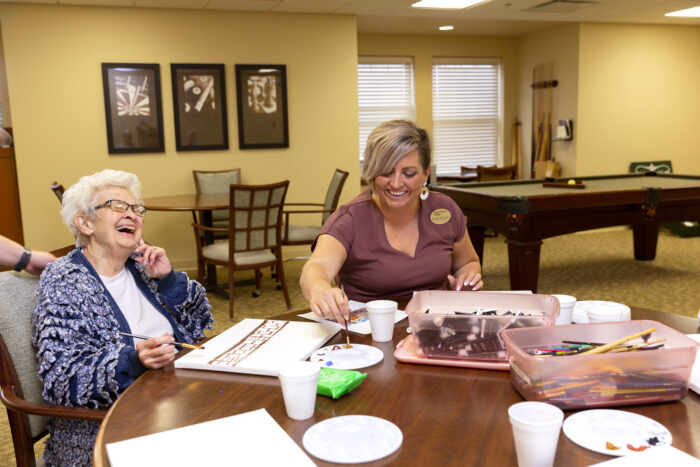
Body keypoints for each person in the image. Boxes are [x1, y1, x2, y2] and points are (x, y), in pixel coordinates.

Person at [32, 169, 213, 466]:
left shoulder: (142, 266)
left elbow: (199, 325)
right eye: (117, 206)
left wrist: (167, 280)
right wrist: (134, 361)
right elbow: (61, 378)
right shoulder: (64, 282)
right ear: (85, 223)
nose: (132, 215)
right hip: (109, 427)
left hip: (175, 398)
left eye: (136, 209)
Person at [300, 120, 483, 324]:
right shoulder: (349, 219)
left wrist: (467, 279)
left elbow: (468, 262)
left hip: (436, 326)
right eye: (386, 172)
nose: (396, 183)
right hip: (372, 333)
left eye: (409, 173)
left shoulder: (444, 209)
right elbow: (314, 270)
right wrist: (322, 291)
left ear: (425, 173)